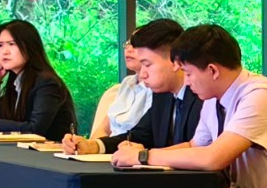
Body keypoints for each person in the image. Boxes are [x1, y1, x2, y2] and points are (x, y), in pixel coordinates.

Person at [118, 24, 267, 188]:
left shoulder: (260, 95)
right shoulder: (213, 99)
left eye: (188, 73)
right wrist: (138, 155)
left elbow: (213, 158)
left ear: (212, 70)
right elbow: (195, 146)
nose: (186, 82)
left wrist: (143, 156)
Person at [62, 19, 201, 157]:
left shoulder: (202, 96)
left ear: (175, 62)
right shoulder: (163, 95)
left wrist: (144, 155)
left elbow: (199, 150)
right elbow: (138, 137)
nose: (143, 74)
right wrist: (93, 146)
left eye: (147, 65)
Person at [0, 19, 76, 139]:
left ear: (29, 47)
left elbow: (36, 129)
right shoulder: (16, 82)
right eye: (0, 45)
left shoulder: (47, 83)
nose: (5, 51)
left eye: (12, 44)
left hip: (50, 150)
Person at [89, 38, 152, 140]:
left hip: (130, 147)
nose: (128, 49)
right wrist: (92, 145)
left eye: (135, 45)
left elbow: (142, 137)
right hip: (108, 147)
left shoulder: (157, 89)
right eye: (127, 43)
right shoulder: (126, 83)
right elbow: (103, 129)